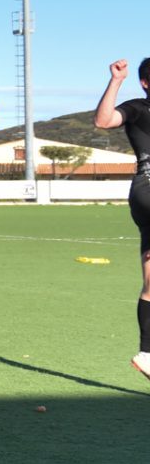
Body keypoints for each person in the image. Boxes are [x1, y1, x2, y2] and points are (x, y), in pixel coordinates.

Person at [93, 58, 150, 381]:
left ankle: (147, 354)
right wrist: (116, 81)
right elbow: (103, 120)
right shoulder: (140, 108)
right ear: (145, 82)